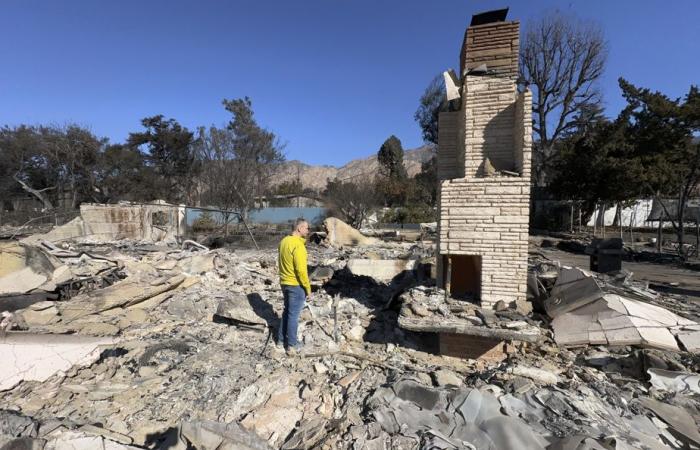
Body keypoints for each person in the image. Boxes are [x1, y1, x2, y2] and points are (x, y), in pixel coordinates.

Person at [277, 218, 311, 355]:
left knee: (287, 312)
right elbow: (301, 270)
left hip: (284, 282)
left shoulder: (284, 241)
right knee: (293, 315)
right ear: (299, 228)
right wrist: (308, 288)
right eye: (307, 228)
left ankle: (280, 341)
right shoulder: (298, 245)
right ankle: (291, 344)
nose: (308, 231)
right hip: (295, 285)